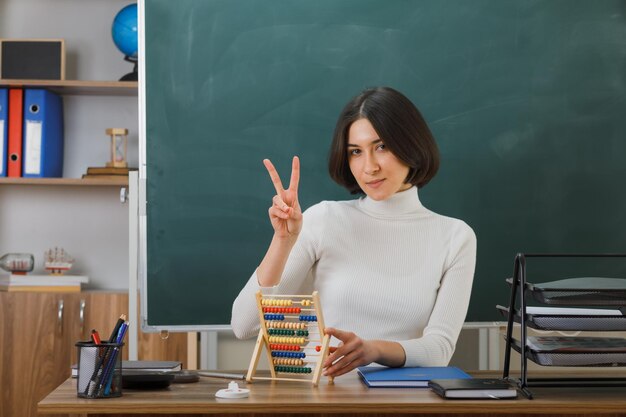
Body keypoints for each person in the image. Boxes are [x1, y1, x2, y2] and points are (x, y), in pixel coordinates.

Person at [231, 86, 476, 378]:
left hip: (410, 404)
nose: (369, 167)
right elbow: (245, 325)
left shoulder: (455, 237)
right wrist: (283, 240)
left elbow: (439, 349)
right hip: (328, 402)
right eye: (356, 152)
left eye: (382, 146)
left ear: (411, 145)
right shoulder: (323, 219)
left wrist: (374, 350)